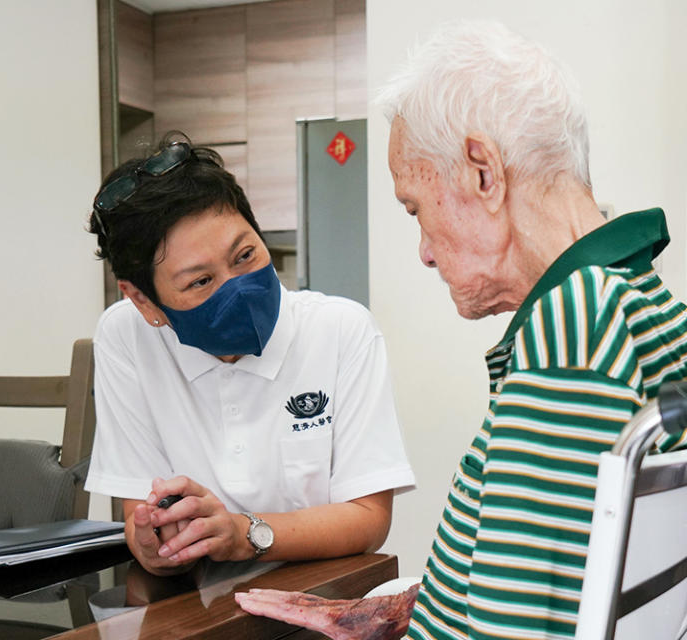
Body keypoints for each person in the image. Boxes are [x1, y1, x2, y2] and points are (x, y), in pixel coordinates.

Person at [235, 19, 687, 639]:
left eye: (416, 209)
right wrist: (409, 607)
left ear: (483, 172)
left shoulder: (574, 334)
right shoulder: (637, 301)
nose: (423, 251)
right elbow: (573, 580)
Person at [84, 133, 415, 576]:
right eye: (200, 282)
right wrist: (157, 543)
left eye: (244, 255)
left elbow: (369, 520)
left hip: (320, 599)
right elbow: (141, 519)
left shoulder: (339, 330)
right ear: (143, 301)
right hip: (197, 610)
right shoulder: (125, 337)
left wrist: (244, 534)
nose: (236, 287)